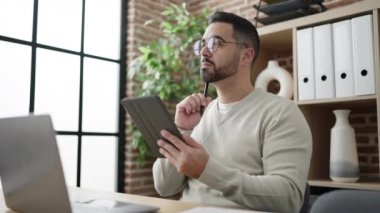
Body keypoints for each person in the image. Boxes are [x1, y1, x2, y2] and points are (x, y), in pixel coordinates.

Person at [152, 11, 312, 213]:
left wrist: (206, 170)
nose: (203, 52)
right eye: (202, 44)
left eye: (215, 43)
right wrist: (182, 131)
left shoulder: (280, 113)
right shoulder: (198, 115)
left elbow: (288, 199)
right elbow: (164, 187)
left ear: (246, 56)